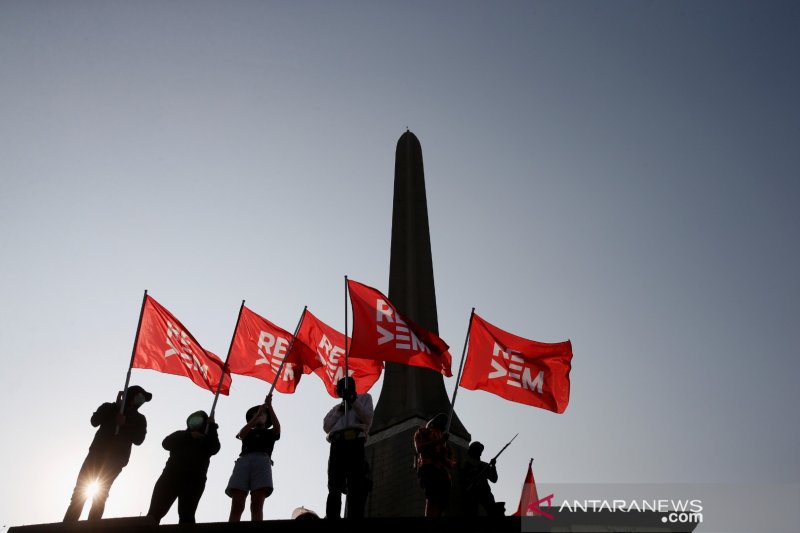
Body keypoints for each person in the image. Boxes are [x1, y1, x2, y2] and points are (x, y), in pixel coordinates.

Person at [64, 385, 151, 521]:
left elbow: (139, 439)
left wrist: (125, 424)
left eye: (143, 399)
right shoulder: (109, 407)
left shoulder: (140, 419)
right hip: (96, 455)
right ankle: (67, 527)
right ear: (130, 395)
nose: (141, 401)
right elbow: (94, 421)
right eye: (139, 397)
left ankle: (92, 528)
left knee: (101, 494)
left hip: (116, 460)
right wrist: (115, 407)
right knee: (80, 492)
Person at [146, 410, 220, 524]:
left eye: (199, 418)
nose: (195, 420)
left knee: (187, 516)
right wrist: (189, 435)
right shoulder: (181, 434)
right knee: (154, 513)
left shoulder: (207, 438)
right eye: (193, 418)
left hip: (194, 481)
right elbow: (166, 443)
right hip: (170, 477)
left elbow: (214, 448)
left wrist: (212, 427)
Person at [322, 376, 374, 519]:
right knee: (334, 484)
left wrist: (353, 401)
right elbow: (326, 426)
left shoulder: (364, 399)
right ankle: (332, 516)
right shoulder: (336, 408)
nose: (342, 390)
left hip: (354, 442)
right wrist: (341, 409)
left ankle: (354, 516)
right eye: (340, 389)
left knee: (355, 483)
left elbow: (368, 419)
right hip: (337, 444)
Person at [225, 394, 280, 522]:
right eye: (256, 414)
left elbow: (277, 429)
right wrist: (256, 417)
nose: (260, 415)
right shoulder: (248, 431)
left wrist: (269, 407)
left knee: (256, 503)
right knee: (237, 504)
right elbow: (242, 434)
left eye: (262, 415)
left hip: (262, 461)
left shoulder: (269, 433)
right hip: (244, 461)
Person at [413, 412, 456, 517]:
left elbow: (452, 463)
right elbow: (419, 448)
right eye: (438, 420)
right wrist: (438, 441)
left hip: (443, 474)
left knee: (442, 502)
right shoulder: (422, 432)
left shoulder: (447, 445)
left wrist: (443, 457)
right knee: (432, 497)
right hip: (428, 468)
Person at [461, 441, 504, 516]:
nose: (480, 453)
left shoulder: (484, 465)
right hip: (472, 492)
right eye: (478, 450)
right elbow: (462, 477)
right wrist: (471, 480)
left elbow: (494, 479)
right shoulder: (466, 463)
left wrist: (493, 466)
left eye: (480, 451)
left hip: (485, 492)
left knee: (493, 510)